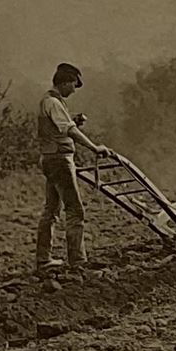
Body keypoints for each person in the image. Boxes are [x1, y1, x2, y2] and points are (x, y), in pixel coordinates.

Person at [35, 62, 106, 275]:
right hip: (60, 160)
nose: (74, 90)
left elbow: (58, 126)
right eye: (74, 85)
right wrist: (94, 147)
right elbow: (69, 131)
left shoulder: (48, 101)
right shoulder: (54, 102)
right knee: (75, 210)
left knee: (51, 210)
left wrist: (73, 120)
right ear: (65, 82)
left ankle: (43, 259)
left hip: (49, 159)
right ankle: (78, 262)